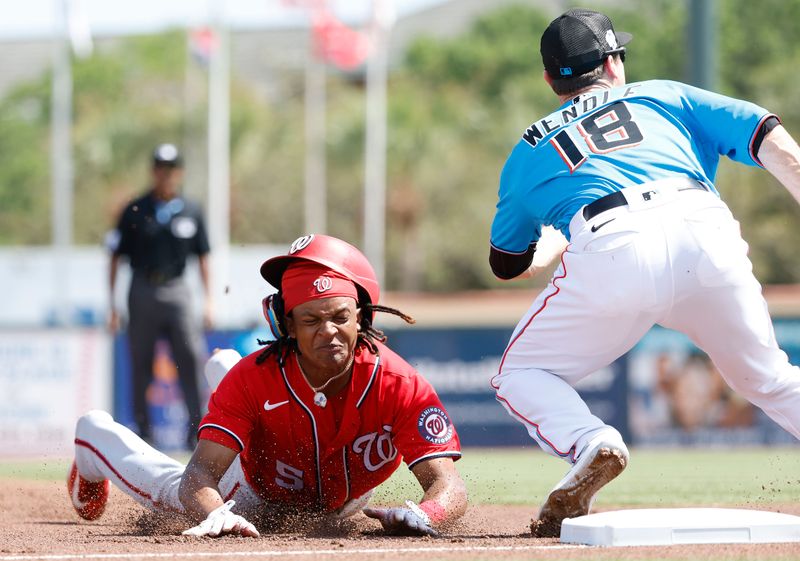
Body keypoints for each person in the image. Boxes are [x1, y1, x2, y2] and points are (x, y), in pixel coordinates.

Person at [488, 8, 800, 538]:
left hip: (611, 243)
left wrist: (558, 236)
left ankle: (591, 441)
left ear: (550, 78)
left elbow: (506, 262)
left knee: (520, 374)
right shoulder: (664, 94)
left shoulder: (529, 149)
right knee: (768, 377)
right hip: (704, 229)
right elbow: (768, 136)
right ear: (613, 62)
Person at [68, 234, 467, 537]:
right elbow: (197, 478)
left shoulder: (398, 383)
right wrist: (215, 513)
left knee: (241, 382)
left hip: (343, 502)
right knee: (171, 491)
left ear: (361, 317)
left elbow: (447, 484)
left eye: (341, 317)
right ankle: (93, 437)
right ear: (287, 325)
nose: (329, 332)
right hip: (252, 490)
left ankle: (221, 368)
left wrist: (426, 514)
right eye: (310, 320)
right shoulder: (255, 378)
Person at [108, 143, 212, 449]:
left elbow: (204, 256)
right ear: (153, 171)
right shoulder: (136, 209)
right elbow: (115, 256)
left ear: (178, 173)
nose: (165, 174)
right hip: (142, 288)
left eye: (171, 169)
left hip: (178, 289)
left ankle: (196, 431)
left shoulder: (191, 210)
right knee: (141, 361)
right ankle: (143, 433)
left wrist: (209, 300)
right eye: (160, 168)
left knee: (190, 358)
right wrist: (112, 304)